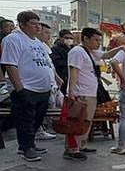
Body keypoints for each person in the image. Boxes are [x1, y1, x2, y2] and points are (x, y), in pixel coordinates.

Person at [64, 27, 125, 161]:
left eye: (99, 40)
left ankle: (81, 145)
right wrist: (72, 91)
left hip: (90, 93)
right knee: (76, 122)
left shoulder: (89, 52)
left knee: (86, 121)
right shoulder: (77, 51)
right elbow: (74, 71)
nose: (98, 43)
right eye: (95, 40)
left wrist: (121, 48)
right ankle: (72, 149)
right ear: (85, 39)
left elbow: (106, 55)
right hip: (81, 93)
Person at [0, 11, 53, 161]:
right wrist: (19, 89)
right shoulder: (14, 39)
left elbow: (47, 64)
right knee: (25, 121)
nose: (38, 27)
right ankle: (25, 148)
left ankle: (29, 144)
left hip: (43, 90)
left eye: (38, 23)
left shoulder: (37, 42)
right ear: (22, 24)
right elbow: (10, 65)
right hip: (26, 89)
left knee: (36, 120)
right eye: (33, 23)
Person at [35, 22, 63, 141]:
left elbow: (49, 64)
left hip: (51, 82)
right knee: (45, 107)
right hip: (38, 84)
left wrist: (56, 77)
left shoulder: (44, 46)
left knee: (55, 104)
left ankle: (49, 126)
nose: (48, 36)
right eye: (46, 33)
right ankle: (39, 129)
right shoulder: (33, 45)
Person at [50, 29, 74, 95]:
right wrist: (70, 62)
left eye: (71, 38)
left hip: (72, 78)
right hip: (62, 78)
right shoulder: (55, 49)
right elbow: (56, 62)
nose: (69, 39)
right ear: (60, 38)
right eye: (66, 38)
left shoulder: (74, 48)